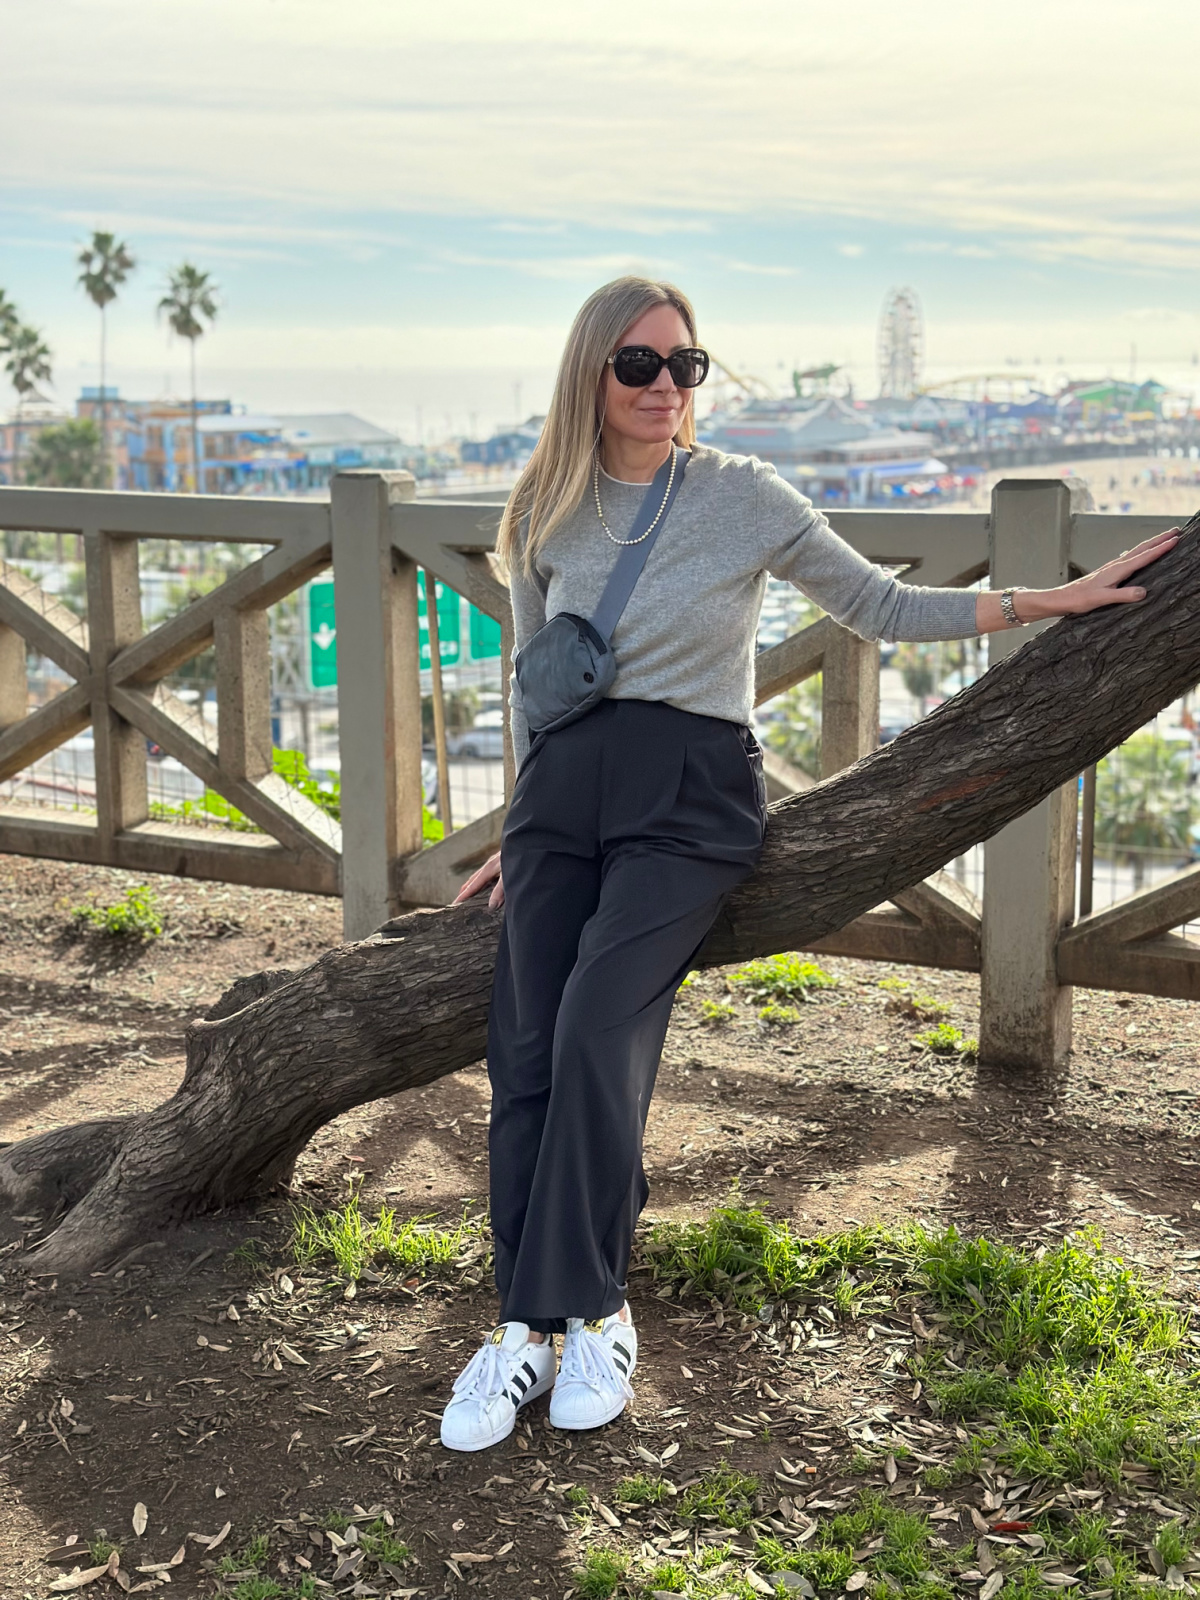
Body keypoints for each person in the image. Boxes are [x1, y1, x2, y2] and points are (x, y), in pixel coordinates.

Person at [439, 276, 1178, 1453]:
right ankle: (523, 1328)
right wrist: (512, 831)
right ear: (591, 370)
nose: (665, 387)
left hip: (689, 799)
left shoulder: (742, 495)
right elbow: (532, 679)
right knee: (522, 1041)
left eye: (686, 365)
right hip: (562, 796)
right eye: (640, 365)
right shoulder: (544, 505)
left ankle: (595, 1311)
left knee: (591, 1025)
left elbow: (880, 606)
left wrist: (1051, 599)